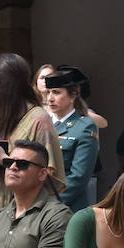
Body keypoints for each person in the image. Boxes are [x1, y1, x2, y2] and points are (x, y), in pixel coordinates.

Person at [0, 53, 65, 248]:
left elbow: (49, 176)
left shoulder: (39, 119)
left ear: (4, 84)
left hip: (22, 212)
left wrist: (4, 160)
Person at [42, 65, 101, 213]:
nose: (50, 98)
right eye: (48, 92)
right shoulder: (42, 123)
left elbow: (78, 177)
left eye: (56, 92)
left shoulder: (85, 127)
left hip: (67, 207)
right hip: (38, 203)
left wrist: (49, 203)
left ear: (73, 95)